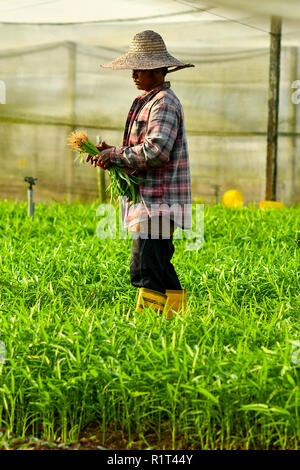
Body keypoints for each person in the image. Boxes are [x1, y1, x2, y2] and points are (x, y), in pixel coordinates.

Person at [87, 30, 193, 317]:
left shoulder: (164, 103)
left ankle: (149, 325)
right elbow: (143, 147)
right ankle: (176, 318)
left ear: (159, 70)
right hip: (152, 203)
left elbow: (157, 151)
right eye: (133, 68)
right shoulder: (150, 99)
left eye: (141, 68)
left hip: (159, 203)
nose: (135, 74)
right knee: (156, 263)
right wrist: (113, 152)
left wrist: (116, 155)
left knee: (144, 267)